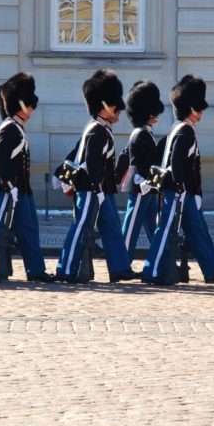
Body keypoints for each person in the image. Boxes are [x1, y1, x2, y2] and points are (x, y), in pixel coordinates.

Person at [141, 75, 214, 286]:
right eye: (199, 108)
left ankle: (212, 269)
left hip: (186, 192)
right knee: (164, 230)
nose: (201, 112)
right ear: (191, 108)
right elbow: (178, 163)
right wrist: (181, 186)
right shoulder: (184, 131)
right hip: (179, 190)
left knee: (198, 229)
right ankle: (152, 270)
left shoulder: (178, 128)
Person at [0, 72, 54, 283]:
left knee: (29, 229)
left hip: (20, 190)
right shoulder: (10, 128)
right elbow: (1, 161)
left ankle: (35, 269)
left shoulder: (16, 128)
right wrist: (9, 186)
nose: (32, 110)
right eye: (30, 105)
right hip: (9, 190)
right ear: (21, 105)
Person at [55, 69, 137, 284]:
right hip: (92, 190)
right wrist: (95, 188)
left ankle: (119, 268)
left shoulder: (99, 128)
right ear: (105, 105)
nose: (118, 112)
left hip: (101, 191)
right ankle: (65, 269)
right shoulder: (97, 130)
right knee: (80, 227)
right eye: (115, 107)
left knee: (112, 228)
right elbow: (91, 162)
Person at [119, 80, 164, 259]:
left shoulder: (145, 132)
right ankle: (122, 260)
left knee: (153, 227)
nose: (156, 116)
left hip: (148, 187)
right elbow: (140, 161)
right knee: (131, 226)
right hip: (140, 186)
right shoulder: (141, 134)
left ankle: (160, 259)